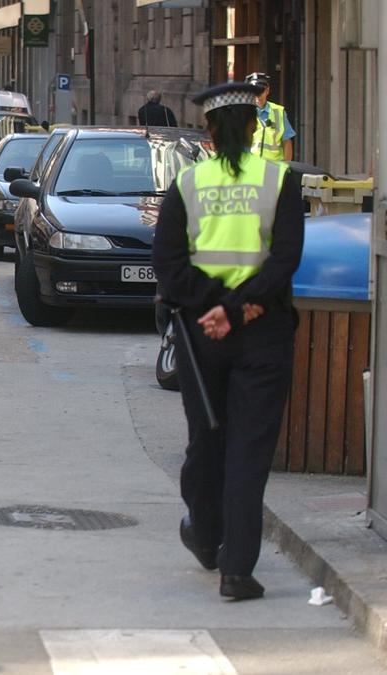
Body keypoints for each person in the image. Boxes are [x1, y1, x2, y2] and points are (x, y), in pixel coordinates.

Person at [151, 81, 304, 602]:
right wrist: (237, 309)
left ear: (211, 131)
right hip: (261, 330)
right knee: (249, 452)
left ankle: (204, 532)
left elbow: (168, 265)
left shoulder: (188, 185)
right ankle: (236, 571)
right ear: (254, 127)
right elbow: (284, 263)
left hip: (200, 335)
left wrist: (211, 307)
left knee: (206, 440)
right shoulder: (281, 181)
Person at [245, 72, 295, 162]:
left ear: (267, 90)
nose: (258, 94)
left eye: (261, 90)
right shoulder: (243, 112)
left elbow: (287, 142)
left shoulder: (279, 112)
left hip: (273, 167)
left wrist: (286, 167)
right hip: (251, 165)